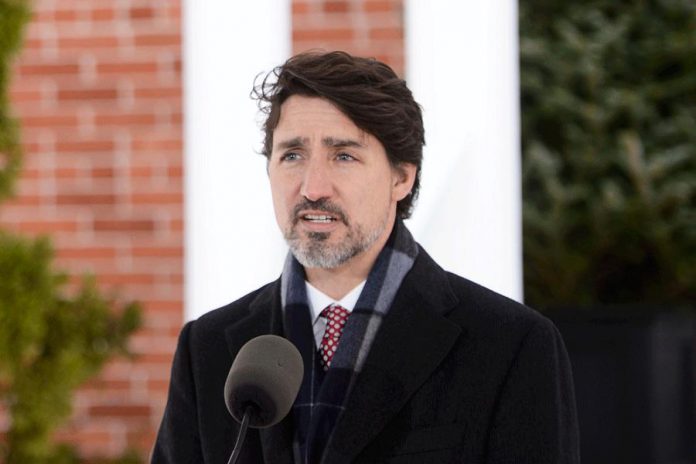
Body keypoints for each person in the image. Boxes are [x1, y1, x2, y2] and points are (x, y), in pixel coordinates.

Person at [152, 50, 580, 464]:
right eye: (292, 155)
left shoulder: (511, 346)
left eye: (343, 155)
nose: (313, 187)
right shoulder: (207, 350)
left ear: (402, 177)